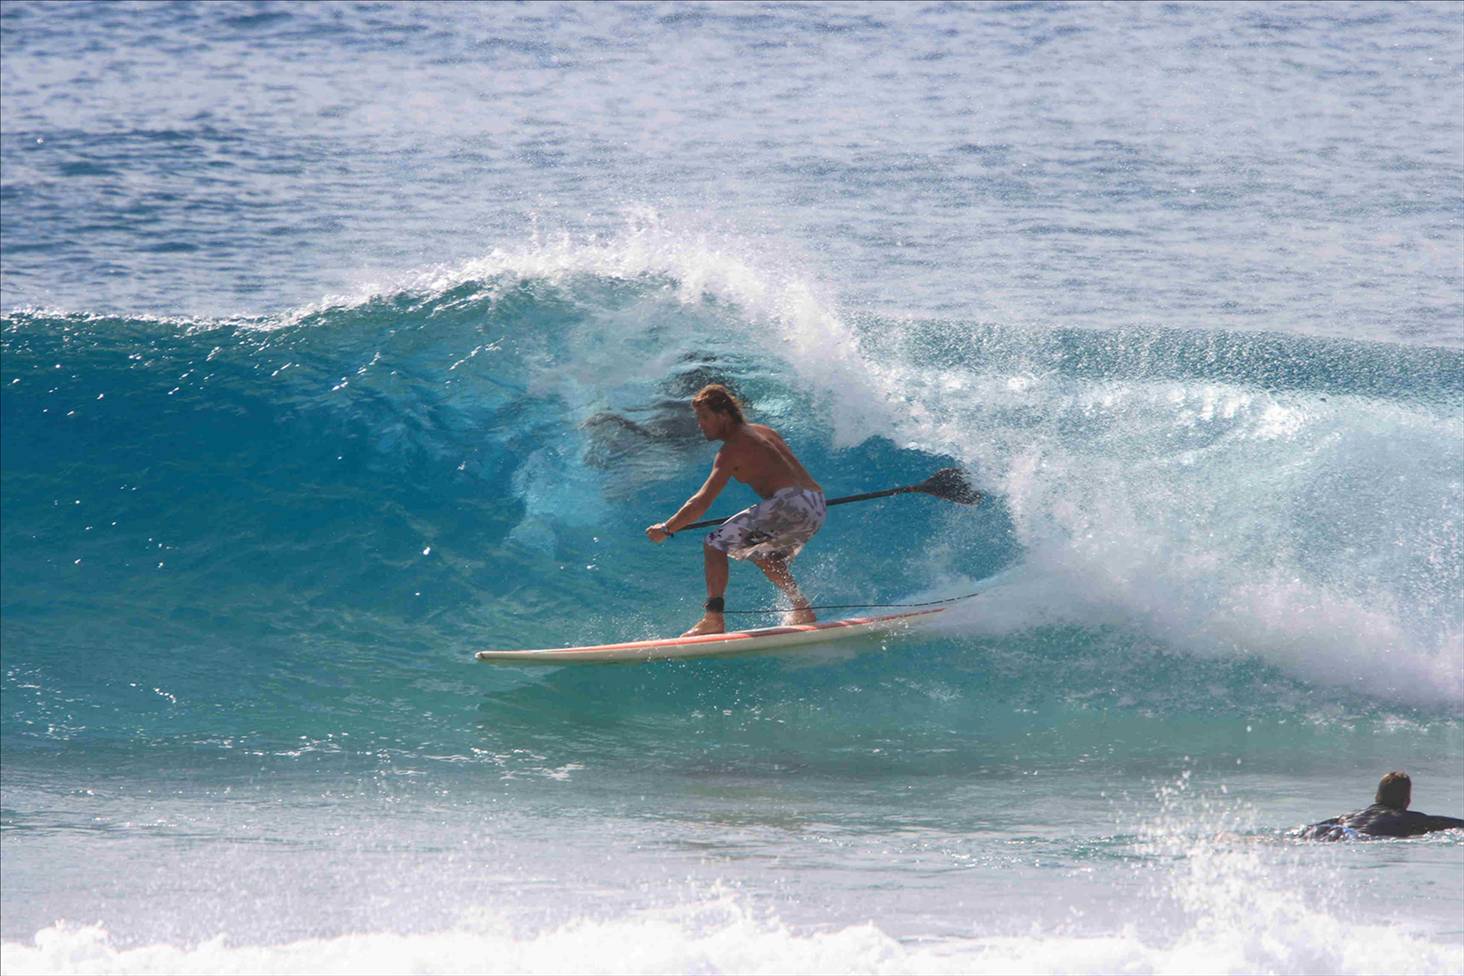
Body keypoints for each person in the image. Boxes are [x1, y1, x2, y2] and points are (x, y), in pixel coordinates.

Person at [645, 384, 825, 637]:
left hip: (789, 504)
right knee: (764, 554)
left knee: (714, 543)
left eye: (704, 417)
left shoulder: (732, 449)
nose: (700, 424)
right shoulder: (765, 432)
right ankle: (802, 607)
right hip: (815, 504)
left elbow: (701, 501)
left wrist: (667, 528)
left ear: (724, 415)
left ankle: (713, 618)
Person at [1298, 771, 1464, 840]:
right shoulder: (1413, 819)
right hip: (1360, 838)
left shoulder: (1349, 815)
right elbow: (1455, 824)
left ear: (1377, 797)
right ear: (1407, 801)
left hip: (1333, 832)